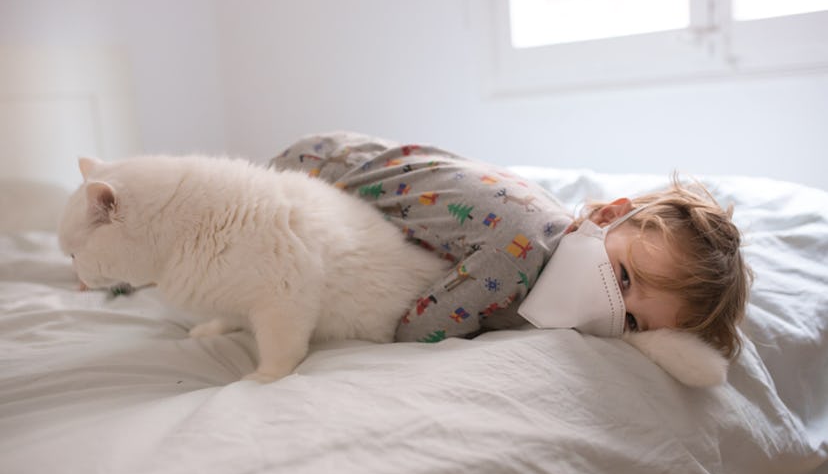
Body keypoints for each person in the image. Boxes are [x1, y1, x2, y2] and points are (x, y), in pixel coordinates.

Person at [270, 132, 751, 364]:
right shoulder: (520, 248)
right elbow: (417, 329)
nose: (610, 302)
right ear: (606, 216)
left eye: (630, 322)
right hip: (315, 168)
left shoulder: (555, 247)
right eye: (624, 276)